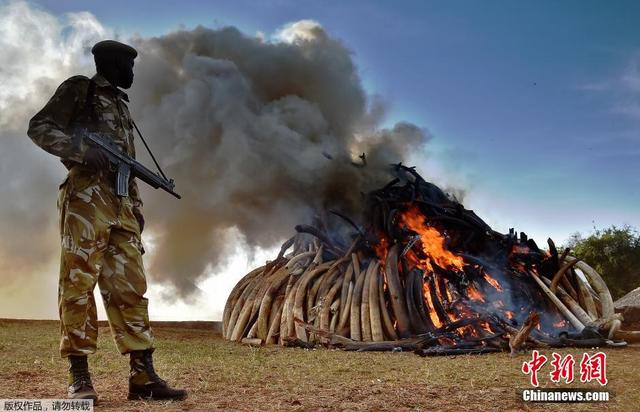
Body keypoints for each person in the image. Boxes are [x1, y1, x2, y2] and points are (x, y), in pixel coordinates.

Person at [27, 40, 187, 403]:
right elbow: (39, 127)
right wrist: (82, 150)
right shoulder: (80, 89)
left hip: (120, 206)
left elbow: (126, 167)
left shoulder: (121, 106)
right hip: (85, 200)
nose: (132, 73)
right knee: (78, 284)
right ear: (111, 64)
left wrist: (136, 208)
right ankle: (80, 378)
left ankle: (143, 377)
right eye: (128, 66)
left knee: (131, 288)